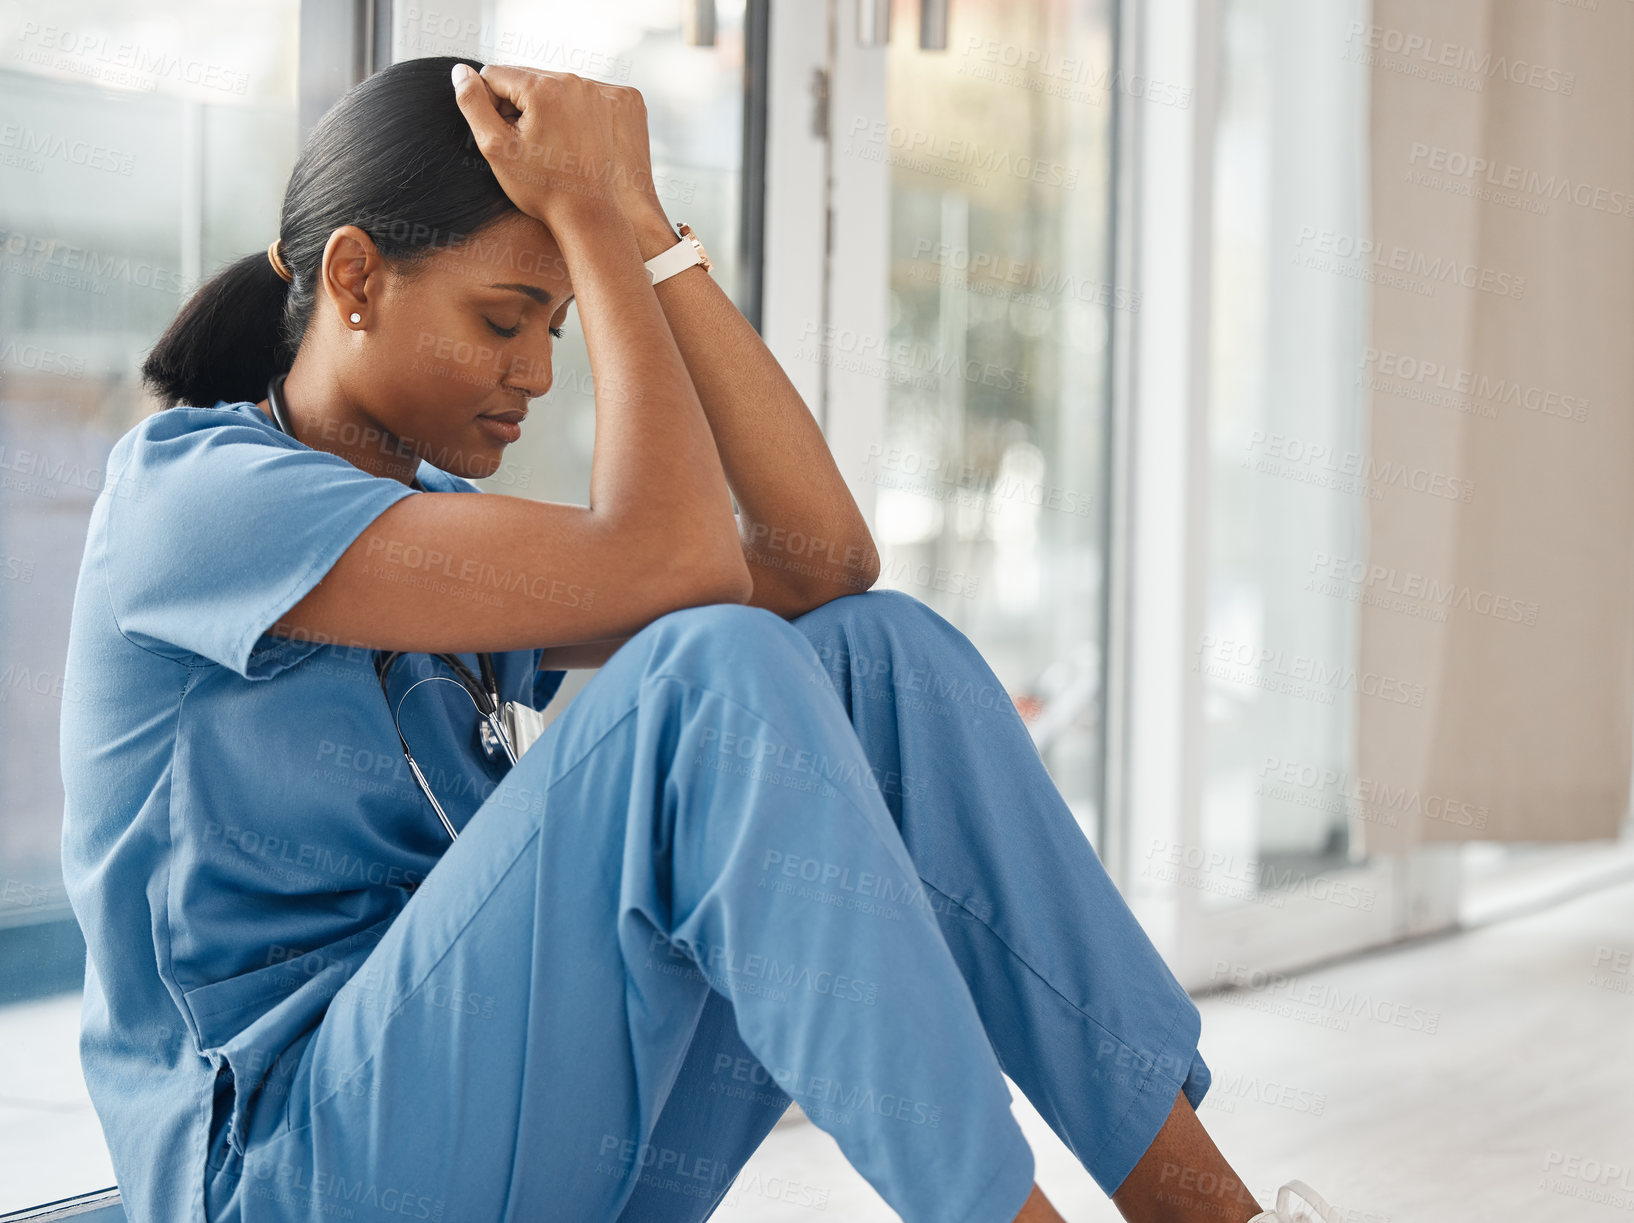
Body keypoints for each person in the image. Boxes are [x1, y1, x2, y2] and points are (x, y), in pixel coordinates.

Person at [58, 54, 1339, 1223]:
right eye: (508, 318)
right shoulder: (187, 498)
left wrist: (651, 231)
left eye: (557, 329)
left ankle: (1208, 1213)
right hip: (279, 1179)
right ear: (353, 278)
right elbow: (680, 572)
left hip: (487, 1136)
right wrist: (596, 224)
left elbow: (821, 561)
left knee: (873, 656)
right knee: (708, 667)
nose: (540, 374)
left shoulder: (430, 526)